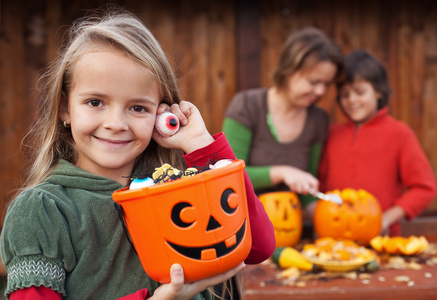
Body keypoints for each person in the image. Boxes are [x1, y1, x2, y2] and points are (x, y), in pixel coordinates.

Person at [0, 9, 275, 300]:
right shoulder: (43, 211)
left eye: (138, 108)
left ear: (161, 114)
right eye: (95, 102)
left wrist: (201, 145)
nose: (116, 124)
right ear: (65, 108)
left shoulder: (178, 185)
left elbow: (258, 246)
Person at [223, 27, 344, 217]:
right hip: (243, 226)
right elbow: (227, 175)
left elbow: (308, 192)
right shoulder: (247, 106)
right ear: (289, 71)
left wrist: (331, 221)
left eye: (326, 84)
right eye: (314, 82)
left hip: (290, 227)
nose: (321, 92)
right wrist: (282, 172)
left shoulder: (318, 120)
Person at [319, 50, 437, 236]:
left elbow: (424, 188)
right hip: (334, 236)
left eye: (360, 92)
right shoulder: (332, 134)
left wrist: (386, 219)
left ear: (378, 91)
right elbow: (320, 186)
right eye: (344, 95)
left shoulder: (400, 134)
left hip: (381, 237)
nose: (352, 100)